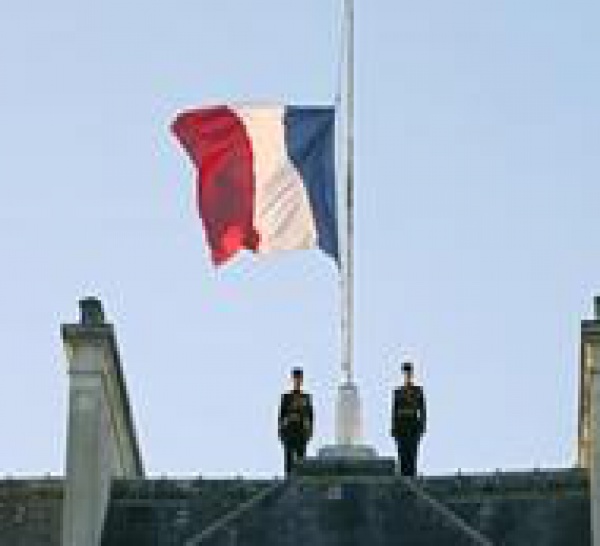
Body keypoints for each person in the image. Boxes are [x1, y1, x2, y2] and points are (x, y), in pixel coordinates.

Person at [391, 361, 426, 476]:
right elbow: (394, 411)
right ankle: (403, 475)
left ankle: (411, 474)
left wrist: (422, 426)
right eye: (405, 372)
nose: (407, 375)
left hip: (412, 423)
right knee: (402, 452)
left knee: (412, 452)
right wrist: (394, 427)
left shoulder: (418, 391)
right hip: (401, 424)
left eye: (409, 372)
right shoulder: (398, 392)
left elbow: (422, 410)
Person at [278, 367, 314, 476]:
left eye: (299, 378)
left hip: (301, 432)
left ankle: (300, 478)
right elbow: (281, 416)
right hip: (289, 431)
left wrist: (309, 432)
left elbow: (310, 416)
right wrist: (282, 431)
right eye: (296, 378)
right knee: (288, 458)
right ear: (292, 379)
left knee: (301, 458)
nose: (297, 381)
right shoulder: (287, 397)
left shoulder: (306, 397)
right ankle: (289, 478)